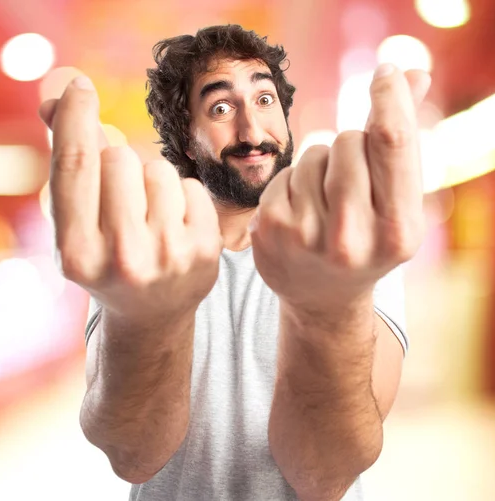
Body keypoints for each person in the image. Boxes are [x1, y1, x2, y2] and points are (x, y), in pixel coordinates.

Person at [39, 24, 430, 501]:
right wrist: (149, 320)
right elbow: (133, 454)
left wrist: (329, 310)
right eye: (221, 107)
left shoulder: (350, 242)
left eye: (265, 100)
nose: (252, 131)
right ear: (186, 140)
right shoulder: (143, 247)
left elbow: (325, 473)